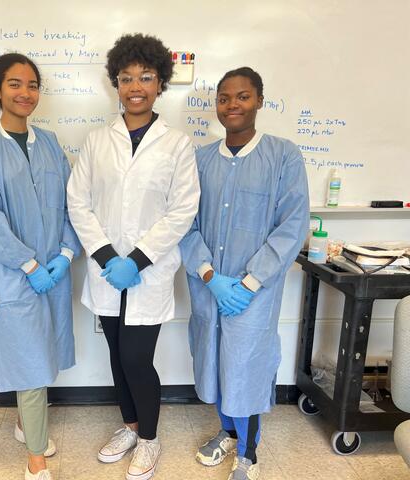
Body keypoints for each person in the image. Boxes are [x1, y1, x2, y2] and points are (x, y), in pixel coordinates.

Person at [67, 34, 200, 480]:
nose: (135, 86)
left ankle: (149, 439)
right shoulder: (95, 141)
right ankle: (129, 426)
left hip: (149, 271)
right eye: (126, 79)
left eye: (145, 77)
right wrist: (107, 257)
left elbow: (182, 209)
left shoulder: (177, 144)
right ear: (116, 84)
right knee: (115, 355)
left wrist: (137, 260)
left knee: (137, 359)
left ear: (160, 82)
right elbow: (77, 203)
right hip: (108, 271)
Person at [180, 67, 310, 480]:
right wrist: (208, 275)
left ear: (259, 100)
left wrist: (250, 282)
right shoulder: (199, 160)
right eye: (224, 98)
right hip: (208, 287)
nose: (232, 105)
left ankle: (248, 452)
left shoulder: (283, 156)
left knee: (245, 366)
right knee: (216, 361)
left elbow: (291, 225)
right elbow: (184, 222)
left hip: (254, 292)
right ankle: (227, 432)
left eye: (242, 96)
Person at [0, 53, 81, 480]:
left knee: (46, 346)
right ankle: (35, 457)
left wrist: (67, 254)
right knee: (30, 352)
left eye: (32, 85)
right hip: (15, 274)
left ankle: (22, 423)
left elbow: (72, 204)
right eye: (15, 84)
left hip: (55, 269)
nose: (25, 93)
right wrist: (28, 263)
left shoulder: (48, 142)